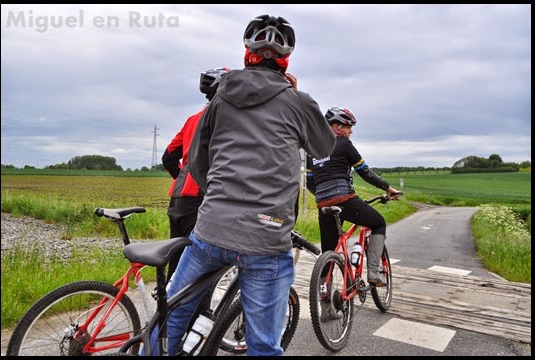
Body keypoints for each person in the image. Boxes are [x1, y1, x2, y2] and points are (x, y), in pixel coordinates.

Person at [164, 14, 336, 356]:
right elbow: (324, 147)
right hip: (267, 237)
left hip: (211, 227)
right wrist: (296, 95)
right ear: (285, 62)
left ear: (247, 54)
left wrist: (221, 196)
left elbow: (197, 161)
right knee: (262, 344)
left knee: (170, 317)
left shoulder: (220, 98)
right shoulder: (298, 103)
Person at [306, 106, 401, 295]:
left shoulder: (312, 150)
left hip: (323, 204)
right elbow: (364, 172)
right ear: (336, 127)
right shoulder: (343, 144)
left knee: (328, 252)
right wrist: (387, 188)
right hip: (345, 199)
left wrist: (324, 197)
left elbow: (310, 182)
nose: (351, 131)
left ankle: (325, 301)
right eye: (348, 127)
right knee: (378, 223)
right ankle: (374, 273)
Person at [161, 66, 231, 280]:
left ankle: (167, 304)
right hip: (202, 198)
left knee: (176, 259)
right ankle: (199, 311)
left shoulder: (192, 119)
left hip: (177, 198)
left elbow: (168, 157)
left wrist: (183, 175)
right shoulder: (224, 121)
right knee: (201, 264)